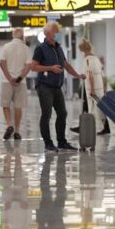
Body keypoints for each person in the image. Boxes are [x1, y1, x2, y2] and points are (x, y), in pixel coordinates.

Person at [31, 22, 86, 152]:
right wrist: (50, 68)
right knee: (47, 114)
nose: (57, 33)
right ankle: (48, 143)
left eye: (57, 31)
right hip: (45, 86)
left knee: (62, 113)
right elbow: (33, 67)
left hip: (57, 87)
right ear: (47, 33)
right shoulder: (40, 49)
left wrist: (77, 75)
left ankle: (62, 142)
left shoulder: (58, 48)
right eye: (55, 31)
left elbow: (66, 64)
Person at [0, 28, 32, 140]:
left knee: (6, 105)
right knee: (18, 107)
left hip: (6, 81)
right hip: (21, 83)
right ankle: (17, 131)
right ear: (22, 36)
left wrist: (9, 78)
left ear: (13, 35)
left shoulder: (6, 46)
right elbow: (28, 66)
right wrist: (19, 78)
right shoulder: (26, 49)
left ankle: (9, 125)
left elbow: (2, 63)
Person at [72, 39, 109, 135]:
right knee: (101, 107)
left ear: (83, 50)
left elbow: (90, 75)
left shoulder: (87, 60)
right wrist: (105, 88)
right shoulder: (96, 59)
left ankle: (91, 128)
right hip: (100, 87)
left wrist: (92, 89)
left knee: (92, 108)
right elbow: (103, 75)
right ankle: (105, 127)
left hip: (92, 88)